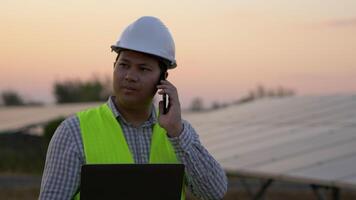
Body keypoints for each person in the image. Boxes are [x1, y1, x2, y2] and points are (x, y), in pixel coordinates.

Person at [39, 16, 227, 200]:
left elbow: (214, 192)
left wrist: (177, 133)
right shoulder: (73, 131)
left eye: (143, 69)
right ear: (114, 67)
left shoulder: (178, 134)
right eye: (124, 65)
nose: (129, 76)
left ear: (163, 79)